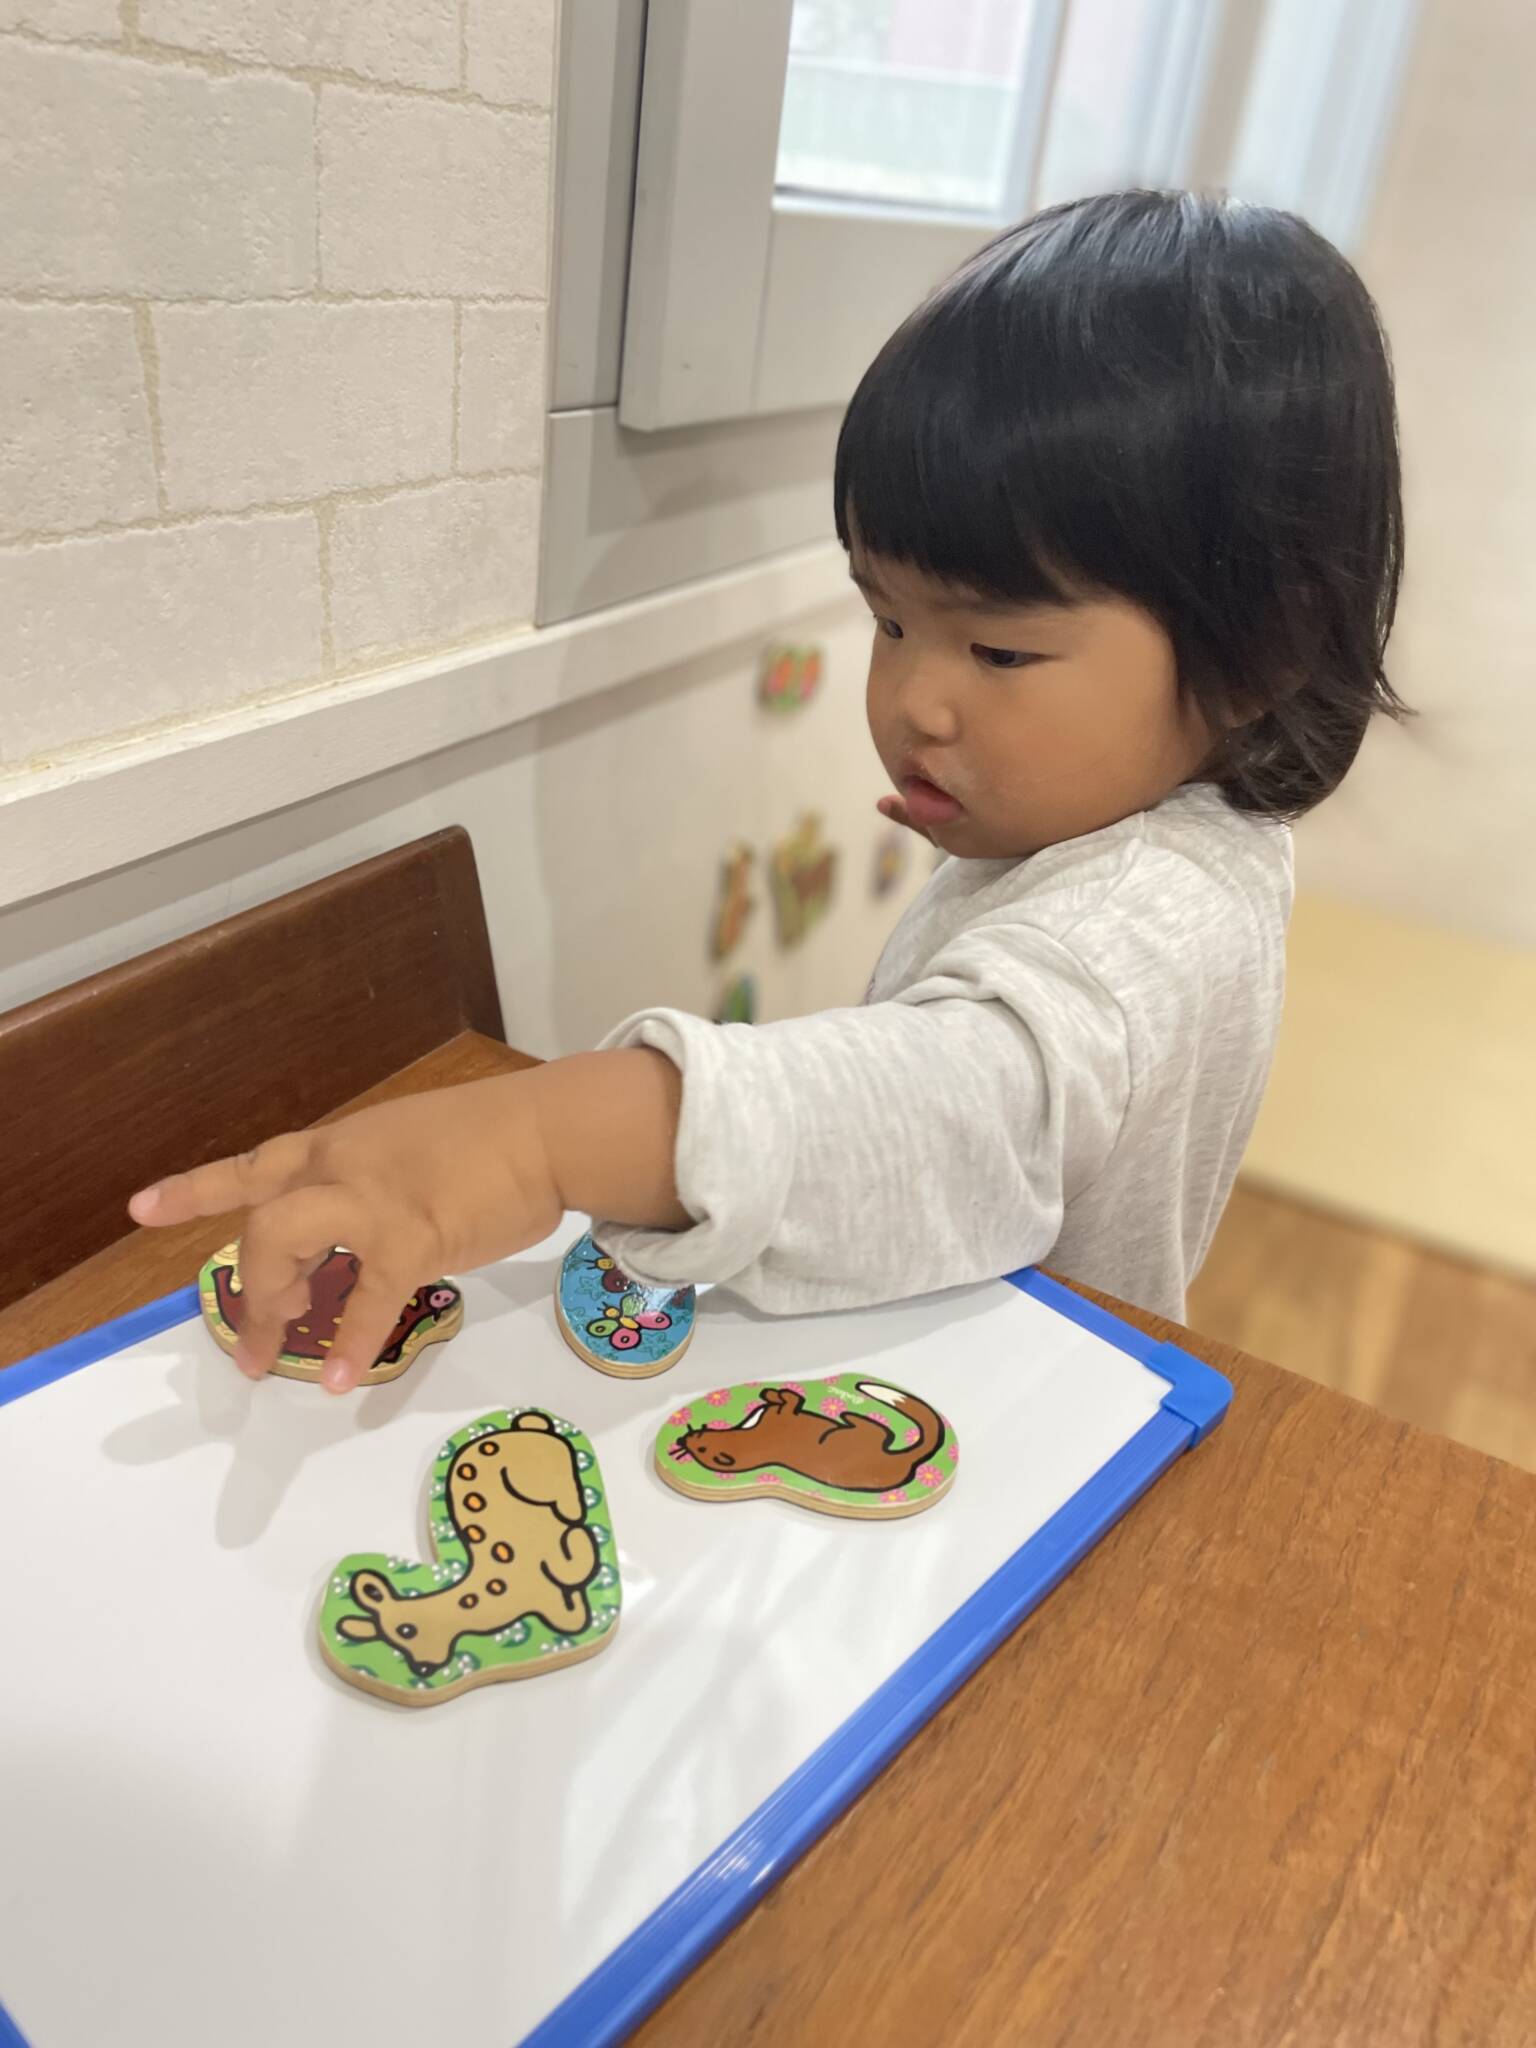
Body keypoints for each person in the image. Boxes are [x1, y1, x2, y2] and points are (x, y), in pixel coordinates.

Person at [128, 190, 1405, 1393]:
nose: (913, 701)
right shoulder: (1184, 815)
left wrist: (538, 1140)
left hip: (1032, 1406)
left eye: (999, 650)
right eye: (888, 620)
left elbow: (952, 1108)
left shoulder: (1140, 926)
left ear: (1263, 649)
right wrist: (997, 858)